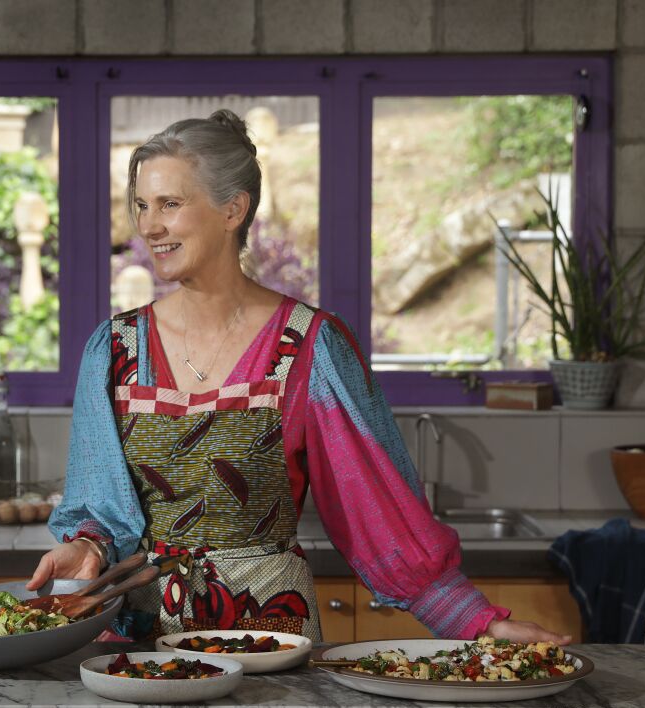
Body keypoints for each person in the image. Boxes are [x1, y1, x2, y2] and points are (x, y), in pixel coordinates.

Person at [29, 109, 569, 645]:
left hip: (269, 639)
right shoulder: (116, 350)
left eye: (170, 204)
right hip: (140, 644)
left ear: (232, 210)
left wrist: (478, 622)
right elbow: (99, 505)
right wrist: (90, 548)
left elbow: (376, 509)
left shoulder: (311, 347)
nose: (149, 225)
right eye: (143, 206)